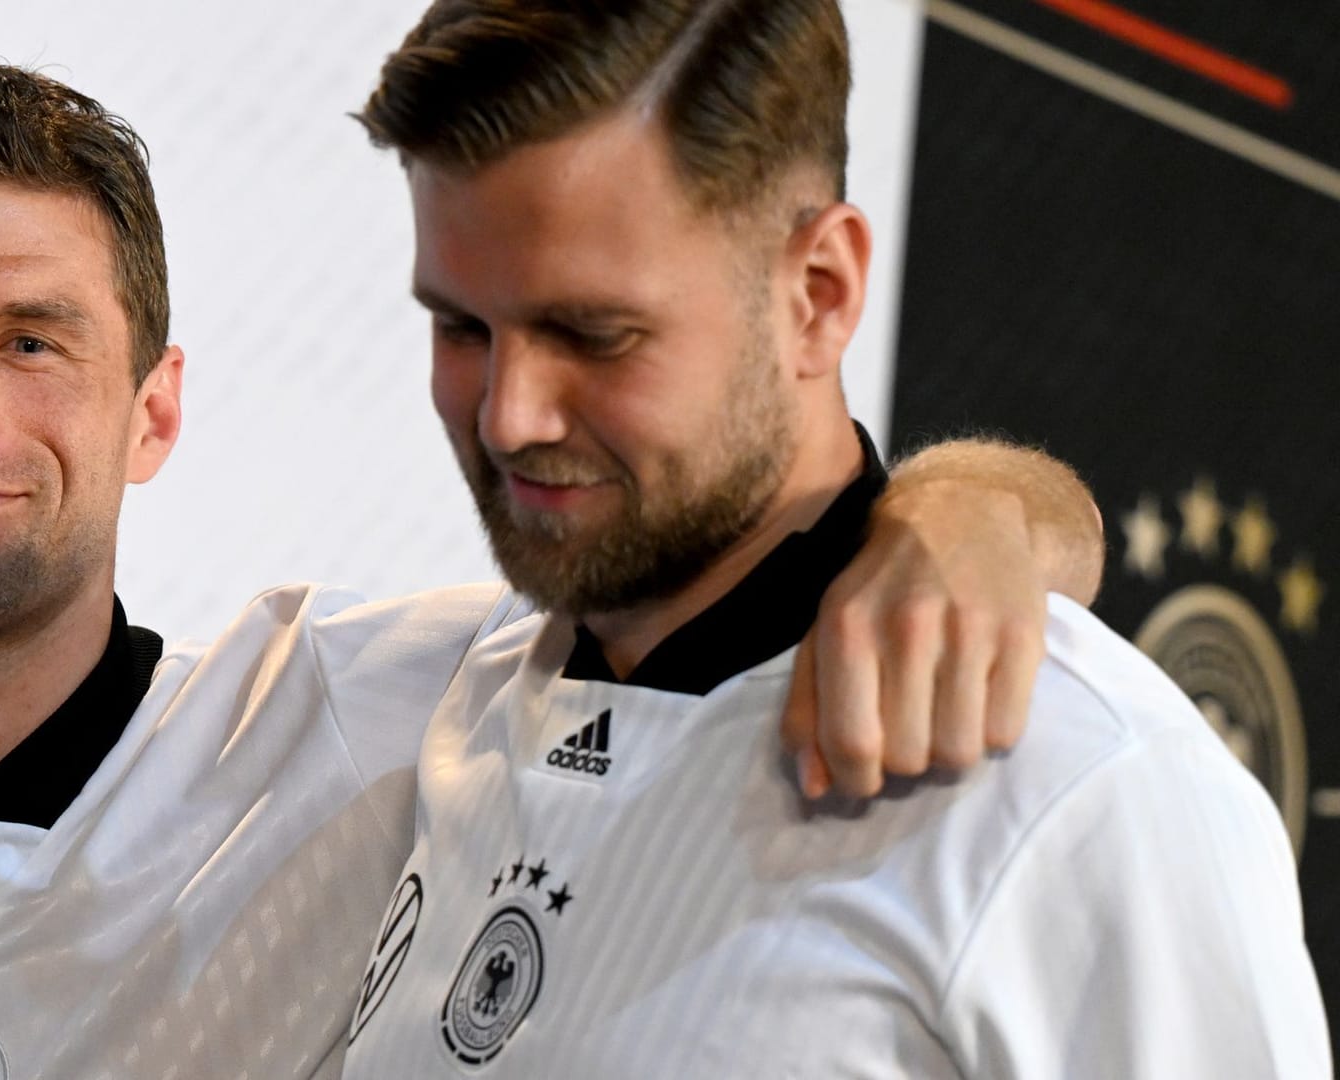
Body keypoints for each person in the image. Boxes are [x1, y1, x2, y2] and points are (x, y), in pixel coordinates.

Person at [0, 51, 1104, 1079]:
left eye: (31, 341)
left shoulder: (381, 723)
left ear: (157, 406)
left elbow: (772, 570)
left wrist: (961, 511)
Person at [337, 2, 1328, 1077]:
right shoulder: (409, 711)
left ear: (820, 293)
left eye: (593, 333)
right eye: (460, 327)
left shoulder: (1084, 790)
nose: (508, 415)